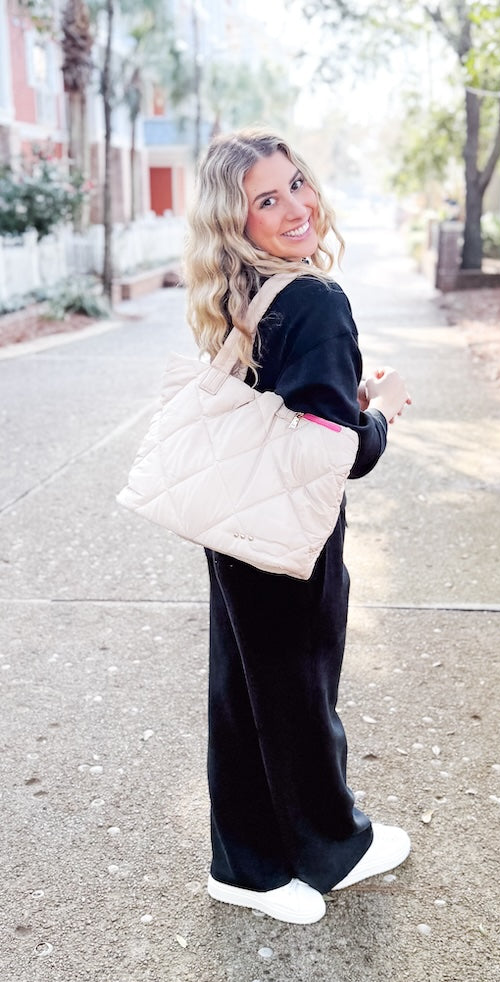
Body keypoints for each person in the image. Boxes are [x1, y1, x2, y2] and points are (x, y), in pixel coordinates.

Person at [183, 128, 412, 925]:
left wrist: (342, 395)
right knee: (296, 693)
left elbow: (289, 410)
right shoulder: (313, 297)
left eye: (297, 185)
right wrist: (376, 413)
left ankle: (244, 864)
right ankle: (331, 847)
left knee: (244, 694)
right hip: (288, 535)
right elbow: (334, 453)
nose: (295, 208)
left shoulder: (240, 291)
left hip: (234, 520)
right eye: (266, 199)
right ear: (236, 218)